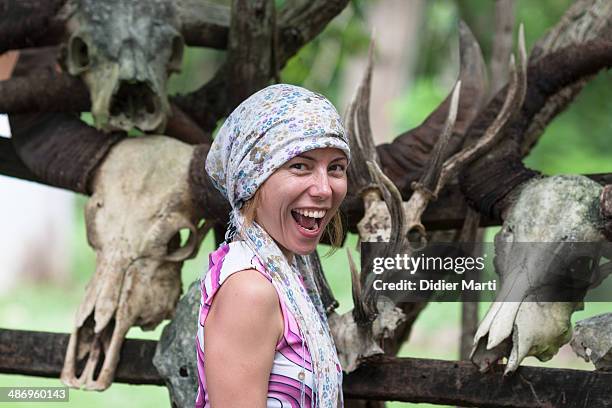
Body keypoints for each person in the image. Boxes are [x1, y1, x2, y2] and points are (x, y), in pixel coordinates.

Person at [195, 84, 350, 408]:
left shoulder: (281, 273)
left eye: (335, 167)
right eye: (300, 166)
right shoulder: (251, 291)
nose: (324, 189)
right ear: (253, 179)